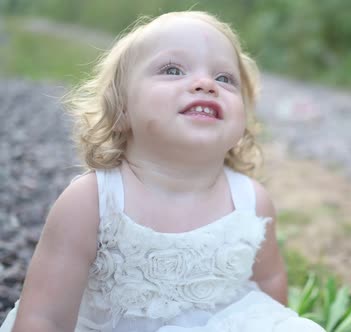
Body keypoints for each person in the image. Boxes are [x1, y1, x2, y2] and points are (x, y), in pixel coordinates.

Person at [0, 10, 325, 332]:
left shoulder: (251, 201)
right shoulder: (93, 202)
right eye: (172, 70)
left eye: (225, 78)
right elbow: (45, 317)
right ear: (122, 109)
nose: (205, 84)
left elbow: (268, 281)